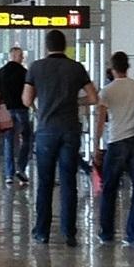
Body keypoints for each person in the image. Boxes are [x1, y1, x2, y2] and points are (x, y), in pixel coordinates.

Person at [23, 29, 98, 247]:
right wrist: (76, 102)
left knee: (45, 182)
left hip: (46, 130)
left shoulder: (36, 67)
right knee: (68, 181)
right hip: (70, 129)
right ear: (64, 46)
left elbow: (26, 99)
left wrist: (39, 107)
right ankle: (69, 232)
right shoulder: (76, 68)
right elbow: (93, 97)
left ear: (46, 46)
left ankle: (42, 231)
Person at [96, 51, 134, 246]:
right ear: (127, 67)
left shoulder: (107, 91)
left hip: (116, 141)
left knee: (109, 189)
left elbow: (101, 121)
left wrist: (96, 146)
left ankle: (107, 233)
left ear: (112, 68)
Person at [0, 46, 32, 187]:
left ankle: (9, 175)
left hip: (6, 110)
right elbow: (30, 90)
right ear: (14, 56)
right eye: (21, 55)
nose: (22, 58)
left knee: (8, 141)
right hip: (22, 109)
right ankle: (21, 168)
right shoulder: (24, 73)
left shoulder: (1, 72)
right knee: (26, 139)